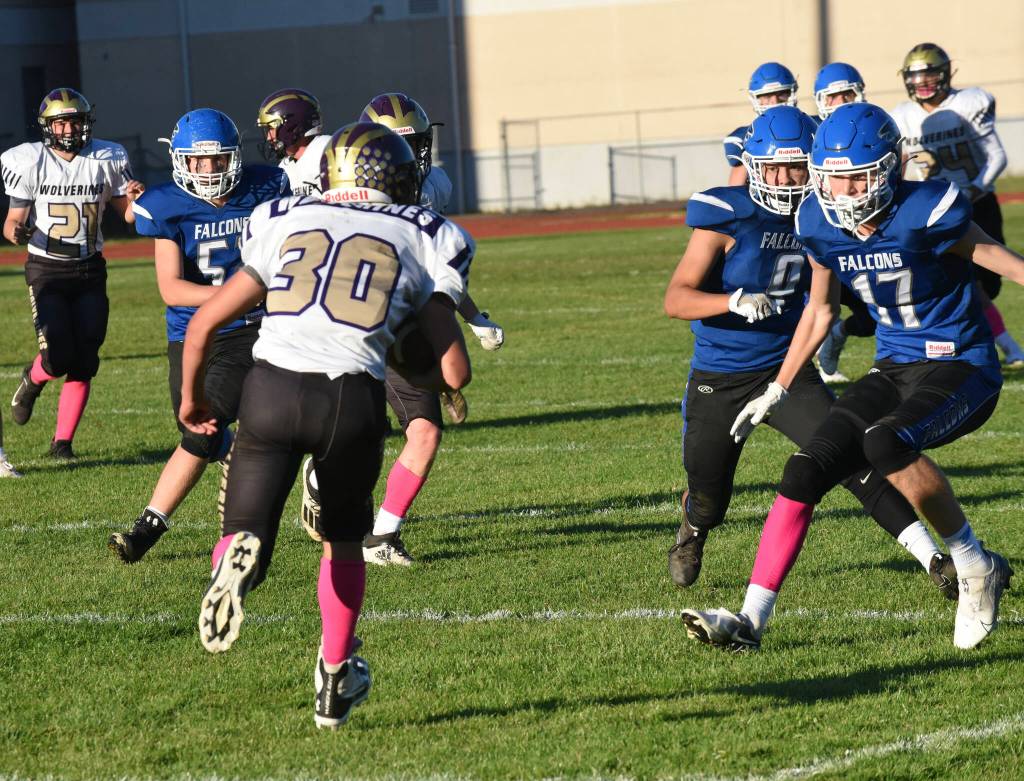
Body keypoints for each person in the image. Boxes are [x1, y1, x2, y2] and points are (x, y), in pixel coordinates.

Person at [681, 103, 1019, 653]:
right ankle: (750, 621)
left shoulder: (926, 209)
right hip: (895, 366)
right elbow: (819, 312)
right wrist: (779, 387)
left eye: (857, 177)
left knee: (884, 442)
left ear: (888, 168)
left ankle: (973, 563)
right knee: (804, 469)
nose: (844, 191)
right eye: (833, 178)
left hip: (961, 363)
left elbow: (1007, 263)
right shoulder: (818, 222)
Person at [179, 121, 472, 728]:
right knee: (342, 543)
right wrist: (402, 348)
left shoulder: (283, 218)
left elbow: (204, 324)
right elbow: (454, 371)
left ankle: (235, 562)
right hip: (349, 399)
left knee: (244, 528)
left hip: (269, 388)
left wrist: (192, 402)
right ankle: (335, 676)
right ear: (397, 178)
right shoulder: (426, 232)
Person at [666, 105, 954, 595]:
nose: (782, 179)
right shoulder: (725, 215)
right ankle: (694, 526)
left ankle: (934, 559)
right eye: (771, 168)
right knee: (711, 496)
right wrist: (730, 301)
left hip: (787, 367)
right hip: (720, 374)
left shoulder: (824, 216)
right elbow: (676, 299)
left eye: (795, 167)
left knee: (851, 460)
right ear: (752, 166)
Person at [298, 92, 503, 567]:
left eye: (414, 144)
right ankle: (325, 481)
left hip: (402, 325)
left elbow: (437, 274)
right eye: (397, 145)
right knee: (362, 434)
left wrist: (473, 317)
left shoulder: (433, 187)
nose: (410, 156)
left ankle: (380, 535)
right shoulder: (334, 198)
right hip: (352, 330)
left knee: (420, 432)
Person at [107, 109, 289, 563]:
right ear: (181, 160)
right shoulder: (165, 204)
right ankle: (242, 453)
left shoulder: (266, 188)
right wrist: (236, 291)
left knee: (202, 426)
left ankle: (147, 527)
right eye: (198, 161)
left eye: (217, 159)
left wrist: (251, 297)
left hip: (248, 328)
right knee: (196, 427)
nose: (208, 170)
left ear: (235, 156)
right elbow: (171, 288)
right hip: (189, 332)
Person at [2, 88, 144, 459]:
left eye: (75, 121)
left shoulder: (107, 156)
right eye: (61, 122)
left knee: (86, 358)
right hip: (47, 269)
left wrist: (135, 201)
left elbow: (128, 216)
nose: (69, 129)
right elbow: (12, 222)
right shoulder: (30, 160)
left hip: (90, 267)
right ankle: (32, 379)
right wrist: (16, 232)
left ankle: (62, 443)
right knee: (57, 355)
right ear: (47, 126)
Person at [892, 43, 1024, 366]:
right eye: (915, 76)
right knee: (962, 280)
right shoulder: (903, 117)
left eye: (929, 75)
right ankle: (999, 347)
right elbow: (899, 168)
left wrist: (974, 189)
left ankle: (997, 346)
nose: (922, 83)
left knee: (989, 283)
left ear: (945, 74)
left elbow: (997, 157)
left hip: (978, 202)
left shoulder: (968, 103)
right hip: (935, 211)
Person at [811, 62, 876, 383]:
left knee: (872, 320)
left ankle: (837, 335)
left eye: (846, 94)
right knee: (810, 309)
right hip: (821, 240)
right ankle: (801, 376)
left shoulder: (873, 127)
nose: (840, 103)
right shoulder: (810, 132)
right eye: (832, 97)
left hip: (862, 239)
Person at [723, 63, 799, 187]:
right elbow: (735, 190)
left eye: (781, 93)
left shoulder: (812, 128)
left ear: (792, 93)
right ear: (755, 99)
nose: (774, 102)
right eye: (767, 96)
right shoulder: (746, 137)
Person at [255, 88, 331, 196]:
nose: (268, 137)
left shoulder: (329, 151)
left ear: (291, 126)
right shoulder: (285, 166)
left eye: (271, 128)